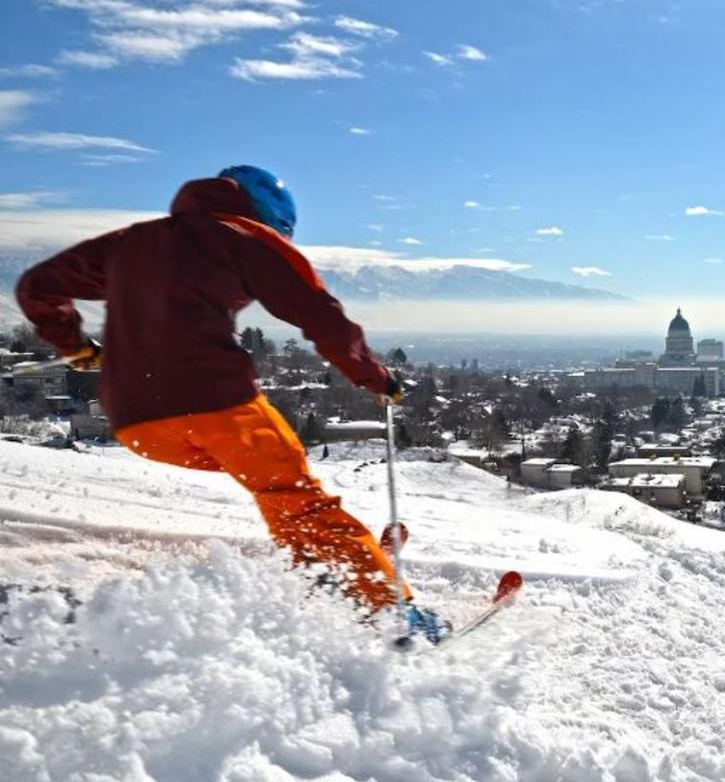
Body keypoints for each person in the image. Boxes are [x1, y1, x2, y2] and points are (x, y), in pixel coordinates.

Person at [15, 165, 447, 642]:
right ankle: (390, 613)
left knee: (279, 490)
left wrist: (74, 344)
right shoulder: (244, 236)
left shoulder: (131, 241)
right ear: (270, 215)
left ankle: (332, 570)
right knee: (295, 499)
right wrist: (374, 375)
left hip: (136, 423)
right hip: (215, 402)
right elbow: (318, 313)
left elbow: (36, 285)